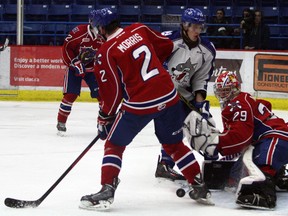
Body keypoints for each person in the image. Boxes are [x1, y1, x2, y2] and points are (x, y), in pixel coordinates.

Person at [79, 8, 213, 210]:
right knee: (174, 145)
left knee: (114, 144)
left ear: (101, 28)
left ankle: (107, 189)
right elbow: (166, 46)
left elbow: (112, 94)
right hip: (169, 96)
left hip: (141, 103)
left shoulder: (105, 53)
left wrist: (104, 118)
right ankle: (198, 184)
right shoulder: (139, 28)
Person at [183, 70, 288, 210]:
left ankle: (263, 194)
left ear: (235, 88)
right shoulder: (237, 103)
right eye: (220, 91)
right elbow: (238, 143)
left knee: (262, 165)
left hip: (276, 137)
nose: (222, 95)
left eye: (226, 90)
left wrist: (217, 144)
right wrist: (217, 156)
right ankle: (278, 176)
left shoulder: (238, 104)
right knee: (235, 176)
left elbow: (241, 138)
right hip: (269, 139)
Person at [155, 8, 216, 182]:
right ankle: (165, 164)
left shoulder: (207, 50)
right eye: (194, 27)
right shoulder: (167, 39)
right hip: (162, 93)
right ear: (185, 25)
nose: (198, 31)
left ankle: (213, 164)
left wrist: (200, 103)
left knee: (205, 125)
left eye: (200, 27)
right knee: (172, 128)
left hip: (184, 95)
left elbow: (201, 78)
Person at [56, 10, 105, 136]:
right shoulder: (79, 32)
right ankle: (61, 122)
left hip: (93, 69)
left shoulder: (105, 35)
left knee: (102, 96)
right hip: (75, 68)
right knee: (70, 95)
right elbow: (66, 48)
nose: (102, 26)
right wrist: (73, 62)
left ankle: (102, 124)